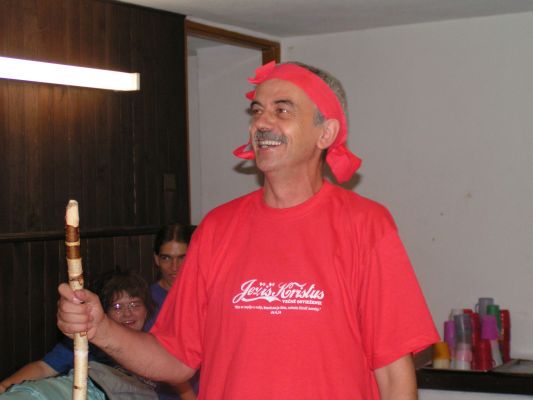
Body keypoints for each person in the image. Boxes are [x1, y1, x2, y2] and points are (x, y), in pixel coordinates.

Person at [57, 61, 440, 399]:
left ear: (325, 133)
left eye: (282, 110)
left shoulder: (366, 225)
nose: (261, 123)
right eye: (257, 111)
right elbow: (175, 358)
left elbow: (394, 376)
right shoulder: (217, 228)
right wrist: (100, 328)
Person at [144, 223, 195, 331]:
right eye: (166, 258)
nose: (174, 267)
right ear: (156, 259)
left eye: (182, 258)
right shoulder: (146, 299)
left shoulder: (205, 297)